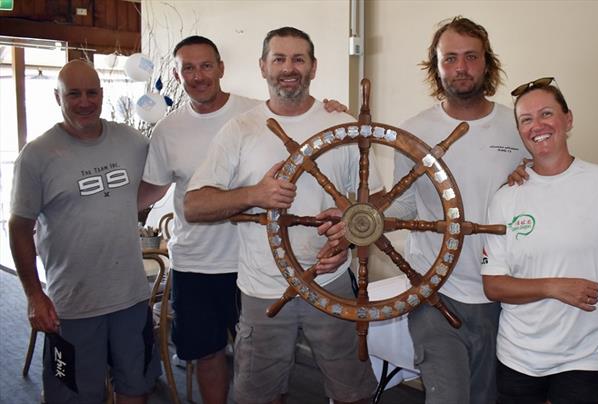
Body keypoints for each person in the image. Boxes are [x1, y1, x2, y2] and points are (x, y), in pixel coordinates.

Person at [183, 27, 378, 404]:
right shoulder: (240, 129)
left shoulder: (342, 122)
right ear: (263, 67)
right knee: (260, 396)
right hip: (263, 290)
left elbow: (375, 203)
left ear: (313, 67)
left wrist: (351, 235)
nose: (289, 68)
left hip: (332, 282)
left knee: (352, 393)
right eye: (279, 59)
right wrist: (256, 194)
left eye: (298, 59)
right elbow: (193, 205)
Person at [386, 16, 527, 404]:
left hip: (502, 292)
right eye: (450, 58)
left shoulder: (516, 126)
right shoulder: (414, 129)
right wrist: (361, 217)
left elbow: (542, 191)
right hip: (435, 291)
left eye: (470, 57)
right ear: (436, 65)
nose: (460, 68)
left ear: (487, 63)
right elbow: (405, 203)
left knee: (486, 397)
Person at [9, 59, 160, 403]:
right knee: (74, 395)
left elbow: (155, 180)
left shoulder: (131, 140)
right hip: (72, 304)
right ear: (57, 96)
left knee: (135, 386)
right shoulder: (37, 155)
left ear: (102, 94)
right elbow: (19, 228)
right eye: (73, 94)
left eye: (92, 92)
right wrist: (34, 294)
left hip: (131, 297)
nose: (84, 101)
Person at [137, 35, 262, 404]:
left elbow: (305, 122)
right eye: (188, 68)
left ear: (221, 68)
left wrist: (334, 110)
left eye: (206, 65)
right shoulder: (168, 130)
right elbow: (150, 192)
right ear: (176, 75)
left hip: (254, 262)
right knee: (207, 354)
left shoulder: (259, 114)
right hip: (195, 264)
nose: (198, 75)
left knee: (260, 360)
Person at [481, 78, 598, 404]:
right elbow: (494, 286)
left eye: (546, 114)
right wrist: (554, 287)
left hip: (585, 355)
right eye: (526, 120)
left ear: (568, 119)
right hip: (519, 357)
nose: (537, 126)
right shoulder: (505, 198)